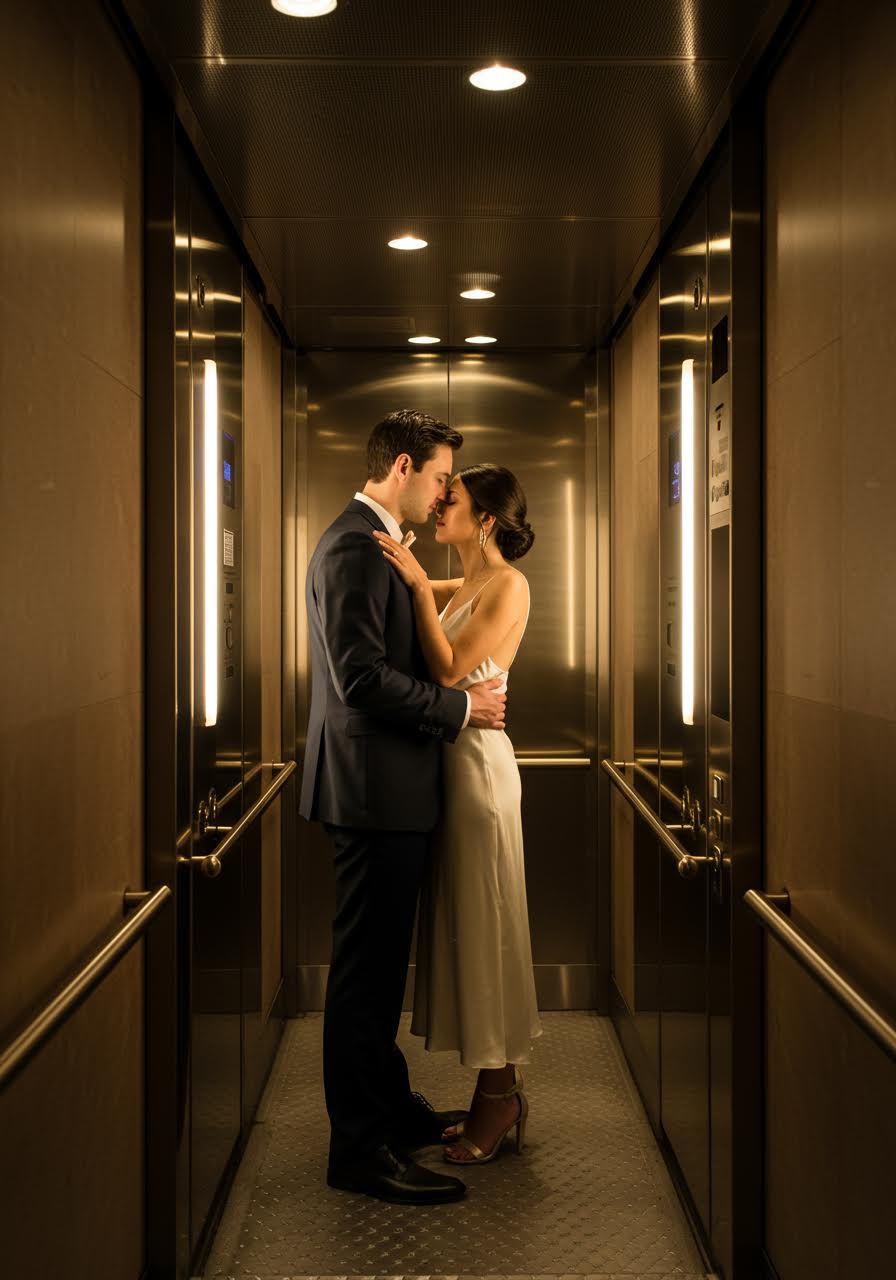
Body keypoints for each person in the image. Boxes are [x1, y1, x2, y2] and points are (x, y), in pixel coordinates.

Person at [299, 409, 508, 1206]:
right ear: (400, 469)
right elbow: (359, 678)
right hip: (372, 792)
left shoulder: (379, 543)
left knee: (379, 971)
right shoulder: (355, 545)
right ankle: (357, 1149)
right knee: (365, 979)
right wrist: (460, 712)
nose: (443, 489)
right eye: (438, 476)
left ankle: (386, 1110)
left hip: (385, 790)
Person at [373, 462, 542, 1166]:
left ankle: (499, 1099)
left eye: (453, 500)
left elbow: (446, 671)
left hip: (480, 777)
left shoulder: (507, 584)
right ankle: (494, 1092)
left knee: (490, 929)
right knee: (473, 930)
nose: (440, 505)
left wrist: (415, 580)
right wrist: (404, 566)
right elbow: (409, 603)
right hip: (456, 772)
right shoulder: (470, 582)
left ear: (486, 521)